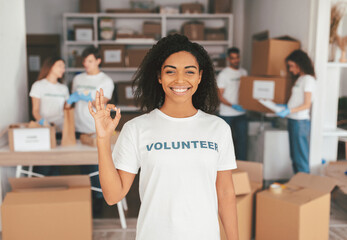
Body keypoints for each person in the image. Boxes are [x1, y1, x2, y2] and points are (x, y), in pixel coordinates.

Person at [88, 34, 239, 240]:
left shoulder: (218, 128)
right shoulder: (136, 128)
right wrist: (103, 140)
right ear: (159, 76)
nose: (179, 80)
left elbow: (225, 193)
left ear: (200, 77)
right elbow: (113, 196)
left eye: (189, 72)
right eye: (170, 72)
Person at [67, 46, 114, 216]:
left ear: (98, 61)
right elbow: (72, 101)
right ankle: (86, 200)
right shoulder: (77, 79)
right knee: (83, 168)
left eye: (90, 61)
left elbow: (103, 102)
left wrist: (89, 98)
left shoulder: (105, 80)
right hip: (78, 127)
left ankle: (99, 202)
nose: (86, 64)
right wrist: (73, 98)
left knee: (96, 167)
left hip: (95, 128)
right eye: (84, 61)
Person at [276, 49, 316, 173]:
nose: (291, 69)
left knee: (301, 158)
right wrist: (285, 107)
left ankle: (304, 188)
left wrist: (289, 110)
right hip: (293, 120)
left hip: (300, 122)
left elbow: (306, 104)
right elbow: (297, 100)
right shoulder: (300, 79)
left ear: (301, 64)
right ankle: (298, 185)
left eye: (292, 66)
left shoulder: (308, 79)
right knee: (294, 157)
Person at [29, 56, 69, 175]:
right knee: (43, 168)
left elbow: (66, 110)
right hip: (44, 132)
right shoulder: (38, 86)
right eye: (60, 66)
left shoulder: (63, 88)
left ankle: (52, 193)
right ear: (50, 67)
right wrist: (44, 123)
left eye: (64, 66)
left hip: (60, 132)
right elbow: (35, 111)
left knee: (56, 169)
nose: (63, 69)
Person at [217, 47, 248, 160]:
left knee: (242, 141)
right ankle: (225, 165)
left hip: (241, 113)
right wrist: (232, 105)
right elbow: (219, 95)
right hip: (227, 114)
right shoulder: (223, 74)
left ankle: (242, 167)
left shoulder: (243, 72)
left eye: (237, 58)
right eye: (233, 58)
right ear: (228, 59)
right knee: (225, 142)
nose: (236, 60)